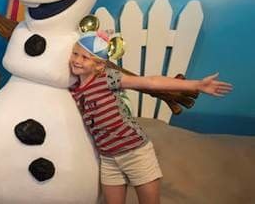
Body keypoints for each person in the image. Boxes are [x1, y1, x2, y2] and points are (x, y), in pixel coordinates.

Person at [69, 30, 233, 204]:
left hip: (135, 152)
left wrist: (196, 85)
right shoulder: (74, 90)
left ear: (99, 65)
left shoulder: (106, 78)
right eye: (75, 54)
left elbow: (151, 82)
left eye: (85, 57)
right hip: (109, 158)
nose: (77, 60)